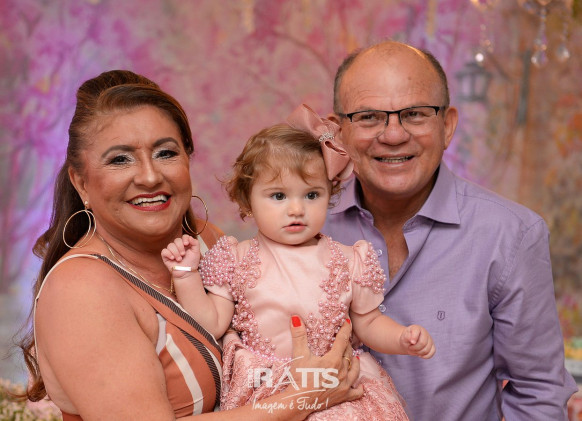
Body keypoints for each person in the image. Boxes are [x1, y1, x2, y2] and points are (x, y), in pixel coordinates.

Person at [17, 70, 364, 420]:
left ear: (187, 158)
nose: (150, 176)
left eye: (166, 153)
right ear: (81, 183)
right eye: (120, 159)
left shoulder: (208, 241)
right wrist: (307, 396)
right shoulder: (80, 290)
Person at [322, 40, 578, 420]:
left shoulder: (510, 235)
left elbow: (538, 393)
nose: (393, 135)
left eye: (414, 114)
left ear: (447, 126)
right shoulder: (304, 226)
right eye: (369, 117)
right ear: (339, 132)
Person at [160, 104, 436, 420]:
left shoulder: (349, 259)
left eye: (311, 195)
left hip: (336, 382)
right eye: (279, 196)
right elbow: (212, 323)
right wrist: (185, 274)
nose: (296, 209)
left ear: (329, 194)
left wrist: (401, 338)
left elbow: (369, 323)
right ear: (248, 200)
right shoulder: (235, 258)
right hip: (268, 388)